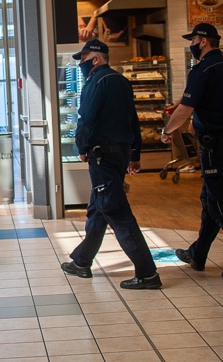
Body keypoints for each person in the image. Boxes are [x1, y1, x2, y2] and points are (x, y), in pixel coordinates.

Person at [162, 23, 223, 280]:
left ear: (204, 40)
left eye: (193, 39)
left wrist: (167, 131)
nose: (192, 44)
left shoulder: (202, 71)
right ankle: (197, 254)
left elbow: (185, 110)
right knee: (211, 198)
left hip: (214, 145)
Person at [60, 40, 161, 289]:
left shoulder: (96, 82)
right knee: (97, 208)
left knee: (116, 211)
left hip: (102, 156)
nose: (80, 63)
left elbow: (86, 119)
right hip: (120, 154)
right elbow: (132, 119)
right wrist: (136, 153)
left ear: (96, 58)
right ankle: (82, 261)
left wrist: (81, 147)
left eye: (83, 58)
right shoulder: (121, 81)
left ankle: (148, 273)